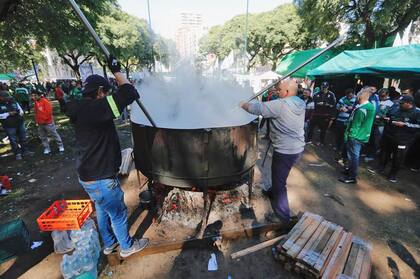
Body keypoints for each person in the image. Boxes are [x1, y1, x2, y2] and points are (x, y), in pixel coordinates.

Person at [65, 56, 149, 258]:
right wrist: (116, 70)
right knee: (118, 214)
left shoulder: (77, 107)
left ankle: (109, 245)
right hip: (102, 177)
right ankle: (127, 247)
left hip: (86, 176)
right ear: (100, 92)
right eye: (106, 92)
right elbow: (130, 92)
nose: (108, 95)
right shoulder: (99, 108)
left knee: (102, 210)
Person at [240, 79, 305, 224]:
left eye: (280, 90)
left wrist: (242, 104)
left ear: (287, 92)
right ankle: (273, 190)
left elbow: (257, 109)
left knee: (280, 182)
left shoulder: (281, 105)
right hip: (297, 147)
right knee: (280, 176)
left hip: (285, 150)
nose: (277, 92)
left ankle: (282, 216)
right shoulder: (300, 102)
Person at [378, 96, 420, 182]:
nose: (400, 104)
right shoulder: (396, 107)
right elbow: (388, 116)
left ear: (409, 103)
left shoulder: (417, 112)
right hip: (389, 135)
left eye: (402, 103)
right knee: (384, 152)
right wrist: (387, 119)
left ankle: (392, 175)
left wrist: (405, 124)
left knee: (398, 157)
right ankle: (381, 168)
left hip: (403, 139)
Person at [339, 88, 375, 184]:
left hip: (356, 136)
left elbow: (356, 124)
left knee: (353, 157)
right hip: (361, 135)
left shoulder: (362, 109)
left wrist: (350, 136)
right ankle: (350, 171)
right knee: (353, 156)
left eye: (358, 95)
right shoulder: (369, 106)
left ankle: (352, 177)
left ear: (360, 96)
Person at [31, 90, 64, 155]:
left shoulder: (45, 101)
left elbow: (49, 112)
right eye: (32, 95)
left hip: (48, 123)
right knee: (43, 136)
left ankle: (60, 146)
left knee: (54, 134)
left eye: (35, 95)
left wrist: (44, 120)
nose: (33, 97)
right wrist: (37, 121)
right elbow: (36, 112)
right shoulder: (36, 102)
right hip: (40, 123)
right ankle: (47, 148)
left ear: (39, 95)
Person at [365, 88, 394, 161]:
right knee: (370, 139)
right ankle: (367, 153)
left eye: (383, 96)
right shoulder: (377, 100)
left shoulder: (390, 103)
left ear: (387, 95)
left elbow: (391, 115)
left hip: (381, 124)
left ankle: (372, 155)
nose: (381, 97)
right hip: (372, 123)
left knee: (377, 141)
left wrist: (383, 117)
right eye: (380, 95)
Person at [0, 91, 29, 160]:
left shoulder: (14, 102)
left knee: (23, 137)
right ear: (1, 98)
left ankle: (25, 151)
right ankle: (17, 153)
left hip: (19, 122)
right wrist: (8, 114)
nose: (8, 99)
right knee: (13, 140)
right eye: (6, 98)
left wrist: (20, 113)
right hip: (9, 125)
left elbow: (21, 110)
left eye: (9, 97)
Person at [307, 81, 336, 145]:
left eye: (325, 87)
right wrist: (318, 104)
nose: (324, 88)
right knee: (311, 128)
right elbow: (312, 103)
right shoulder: (316, 94)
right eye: (323, 87)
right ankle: (308, 139)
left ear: (328, 87)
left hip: (325, 115)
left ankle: (321, 141)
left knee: (323, 130)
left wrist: (332, 117)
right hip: (315, 114)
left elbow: (333, 105)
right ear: (321, 86)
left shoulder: (331, 94)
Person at [335, 88, 356, 160]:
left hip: (348, 121)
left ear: (353, 94)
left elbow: (355, 109)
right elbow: (337, 106)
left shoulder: (356, 100)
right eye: (348, 95)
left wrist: (348, 109)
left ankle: (343, 149)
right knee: (338, 134)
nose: (349, 97)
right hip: (340, 119)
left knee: (345, 136)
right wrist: (341, 108)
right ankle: (338, 147)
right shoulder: (342, 98)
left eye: (350, 95)